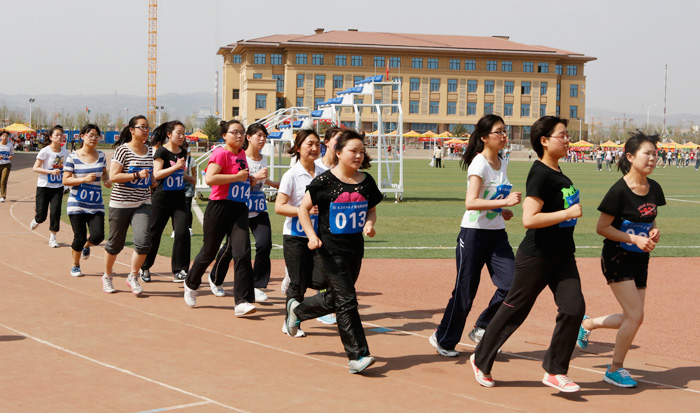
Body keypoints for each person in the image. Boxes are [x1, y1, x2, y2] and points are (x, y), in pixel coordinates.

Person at [470, 116, 585, 393]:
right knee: (515, 311)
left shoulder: (559, 174)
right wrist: (567, 214)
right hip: (537, 256)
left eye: (568, 135)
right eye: (563, 135)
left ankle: (555, 371)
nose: (568, 140)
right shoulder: (540, 173)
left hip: (563, 255)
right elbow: (529, 219)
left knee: (574, 309)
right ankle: (481, 358)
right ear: (544, 141)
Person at [286, 129, 383, 374]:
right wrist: (311, 237)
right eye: (353, 151)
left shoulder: (366, 182)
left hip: (354, 250)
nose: (359, 155)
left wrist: (370, 224)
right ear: (338, 153)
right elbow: (303, 209)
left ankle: (298, 310)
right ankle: (357, 356)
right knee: (348, 301)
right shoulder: (323, 181)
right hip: (329, 250)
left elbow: (371, 209)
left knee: (337, 298)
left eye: (362, 151)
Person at [577, 131, 664, 388]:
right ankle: (614, 369)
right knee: (635, 315)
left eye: (655, 154)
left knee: (633, 315)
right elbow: (602, 228)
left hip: (640, 258)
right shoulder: (618, 190)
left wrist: (653, 231)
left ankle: (588, 323)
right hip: (617, 256)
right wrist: (633, 239)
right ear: (630, 156)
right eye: (647, 153)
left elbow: (650, 218)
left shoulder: (654, 187)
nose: (652, 158)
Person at [429, 114, 521, 358]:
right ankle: (443, 339)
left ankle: (482, 327)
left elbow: (488, 200)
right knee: (465, 292)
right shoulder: (478, 164)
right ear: (484, 138)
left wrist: (502, 209)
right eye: (498, 132)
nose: (504, 136)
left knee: (512, 285)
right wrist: (504, 201)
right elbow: (470, 202)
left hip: (497, 234)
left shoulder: (503, 160)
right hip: (473, 235)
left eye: (505, 131)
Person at [185, 120, 256, 316]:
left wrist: (249, 180)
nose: (240, 136)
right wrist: (237, 178)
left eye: (242, 132)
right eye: (235, 132)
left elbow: (241, 177)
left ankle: (242, 301)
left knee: (242, 252)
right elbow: (210, 179)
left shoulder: (242, 154)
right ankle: (191, 283)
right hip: (219, 207)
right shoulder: (220, 153)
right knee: (209, 252)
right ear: (225, 135)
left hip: (240, 207)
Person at [210, 123, 278, 302]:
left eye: (265, 136)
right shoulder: (241, 156)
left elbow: (261, 180)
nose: (262, 139)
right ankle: (215, 278)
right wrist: (254, 180)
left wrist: (276, 184)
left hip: (259, 207)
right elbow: (241, 180)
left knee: (264, 243)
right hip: (240, 207)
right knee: (232, 248)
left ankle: (256, 285)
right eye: (258, 135)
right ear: (248, 137)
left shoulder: (263, 158)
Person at [275, 129, 328, 337]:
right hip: (295, 236)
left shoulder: (324, 174)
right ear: (298, 148)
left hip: (318, 236)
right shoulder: (292, 175)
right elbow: (279, 207)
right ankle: (290, 322)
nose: (315, 148)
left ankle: (293, 279)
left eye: (317, 144)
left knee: (322, 280)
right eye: (309, 144)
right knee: (299, 284)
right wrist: (302, 210)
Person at [103, 116, 154, 295]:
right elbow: (114, 176)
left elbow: (151, 175)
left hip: (143, 203)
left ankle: (133, 276)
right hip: (121, 203)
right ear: (132, 130)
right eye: (142, 127)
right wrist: (137, 175)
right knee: (115, 244)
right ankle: (108, 276)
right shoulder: (122, 151)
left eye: (148, 127)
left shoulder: (150, 151)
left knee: (143, 243)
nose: (146, 130)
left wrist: (153, 180)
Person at [139, 121, 194, 283]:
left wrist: (187, 177)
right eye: (179, 133)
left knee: (183, 231)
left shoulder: (183, 152)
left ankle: (180, 270)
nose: (182, 136)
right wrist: (176, 166)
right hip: (161, 198)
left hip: (179, 198)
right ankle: (145, 267)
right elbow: (157, 174)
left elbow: (179, 171)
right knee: (154, 233)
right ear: (169, 134)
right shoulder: (161, 151)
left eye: (184, 133)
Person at [62, 124, 111, 277]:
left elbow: (104, 174)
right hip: (77, 203)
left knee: (98, 236)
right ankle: (75, 265)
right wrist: (83, 179)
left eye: (97, 136)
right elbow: (65, 180)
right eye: (91, 135)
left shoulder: (102, 156)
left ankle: (87, 246)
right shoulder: (72, 157)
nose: (94, 138)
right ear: (82, 136)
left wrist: (107, 180)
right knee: (79, 236)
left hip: (96, 204)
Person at [30, 125, 69, 248]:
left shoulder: (65, 152)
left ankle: (53, 237)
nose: (59, 137)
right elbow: (35, 168)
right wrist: (50, 171)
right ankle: (37, 220)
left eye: (61, 135)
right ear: (51, 137)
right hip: (44, 186)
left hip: (57, 187)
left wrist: (67, 184)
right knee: (41, 215)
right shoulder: (45, 151)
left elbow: (67, 169)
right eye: (57, 135)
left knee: (55, 212)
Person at [0, 130, 14, 202]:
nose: (5, 137)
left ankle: (3, 196)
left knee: (3, 180)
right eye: (4, 136)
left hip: (7, 164)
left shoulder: (10, 145)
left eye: (6, 136)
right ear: (1, 137)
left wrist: (11, 156)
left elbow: (12, 153)